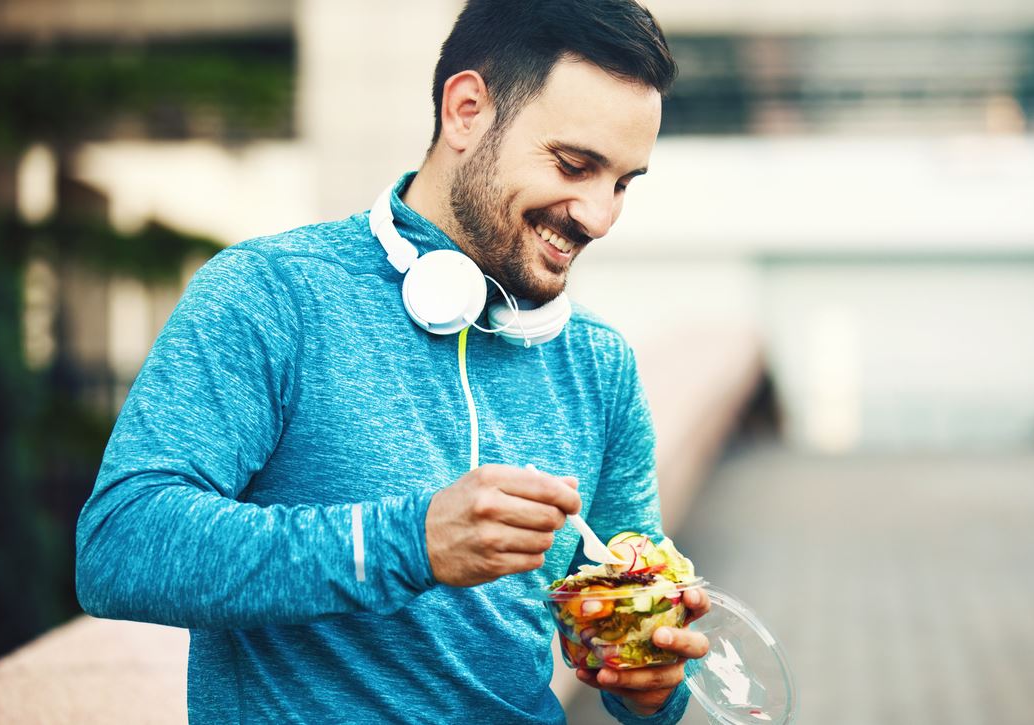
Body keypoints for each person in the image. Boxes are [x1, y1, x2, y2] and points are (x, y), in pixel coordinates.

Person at [75, 0, 711, 723]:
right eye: (575, 165)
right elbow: (120, 544)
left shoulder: (599, 364)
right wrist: (410, 541)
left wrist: (652, 679)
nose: (598, 215)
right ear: (466, 110)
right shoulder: (272, 295)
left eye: (624, 183)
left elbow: (631, 648)